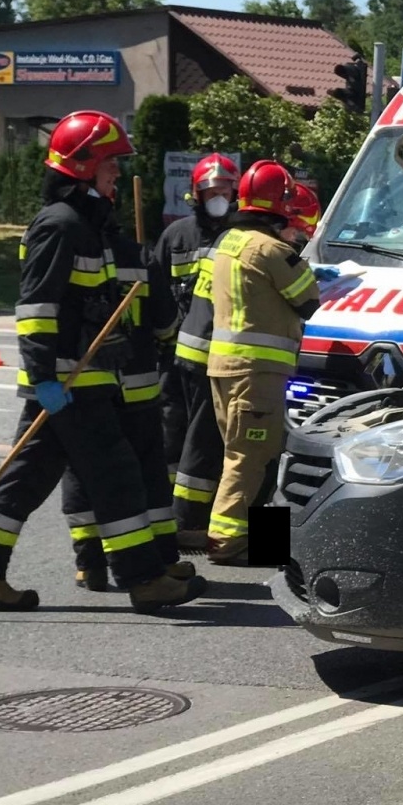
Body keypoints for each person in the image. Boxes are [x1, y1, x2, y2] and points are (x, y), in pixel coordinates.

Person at [0, 111, 206, 611]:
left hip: (84, 378)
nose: (117, 173)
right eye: (110, 163)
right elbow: (37, 308)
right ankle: (144, 580)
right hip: (69, 380)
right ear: (83, 165)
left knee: (25, 479)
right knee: (116, 475)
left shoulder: (87, 226)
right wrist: (44, 378)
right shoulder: (59, 225)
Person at [60, 196, 196, 589]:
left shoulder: (77, 255)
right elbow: (166, 322)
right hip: (137, 388)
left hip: (90, 388)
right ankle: (161, 560)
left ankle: (90, 563)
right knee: (147, 474)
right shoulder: (138, 255)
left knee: (84, 472)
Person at [204, 162, 320, 563]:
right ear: (280, 203)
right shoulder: (271, 249)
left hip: (227, 369)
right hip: (257, 372)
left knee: (250, 453)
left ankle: (263, 543)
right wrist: (300, 254)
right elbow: (309, 301)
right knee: (255, 457)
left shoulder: (229, 242)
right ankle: (227, 542)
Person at [158, 154, 239, 547]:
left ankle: (213, 530)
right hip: (182, 356)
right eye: (210, 190)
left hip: (229, 361)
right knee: (179, 435)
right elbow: (157, 290)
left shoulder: (244, 239)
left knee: (222, 446)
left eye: (224, 190)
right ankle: (180, 519)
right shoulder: (177, 236)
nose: (218, 197)